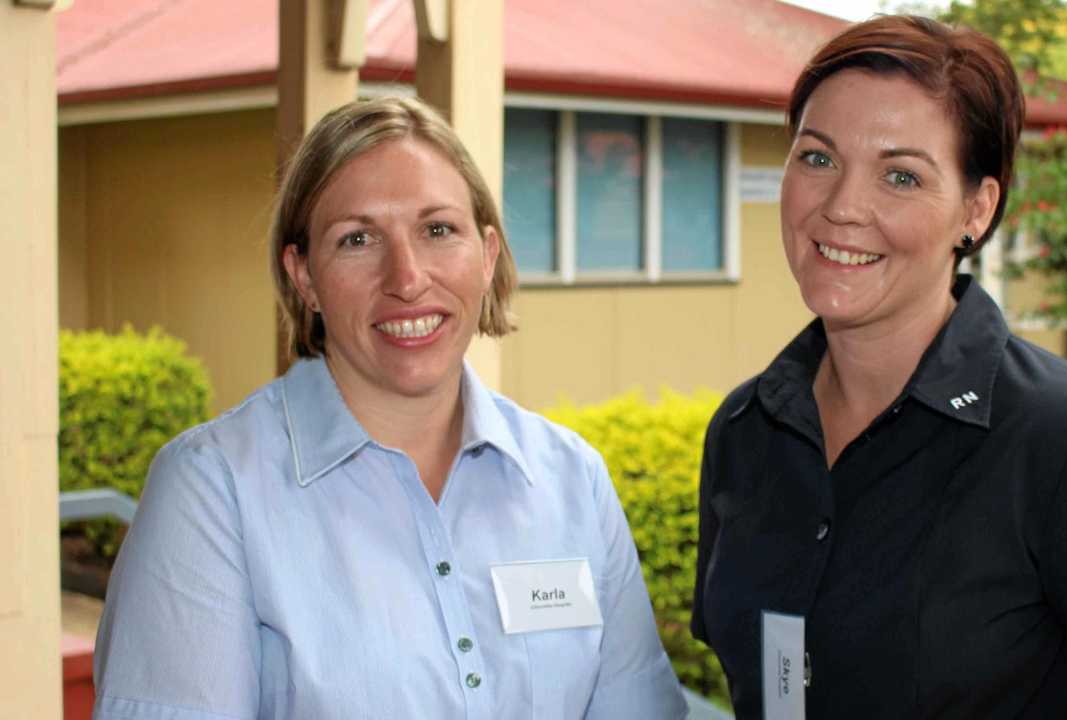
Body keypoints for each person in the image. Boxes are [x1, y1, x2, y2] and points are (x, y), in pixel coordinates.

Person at [691, 15, 1067, 720]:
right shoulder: (744, 432)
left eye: (901, 176)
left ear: (976, 209)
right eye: (818, 158)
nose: (843, 207)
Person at [93, 96, 688, 720]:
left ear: (486, 256)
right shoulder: (213, 491)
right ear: (305, 277)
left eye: (438, 230)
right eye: (357, 239)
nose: (406, 278)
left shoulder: (573, 481)